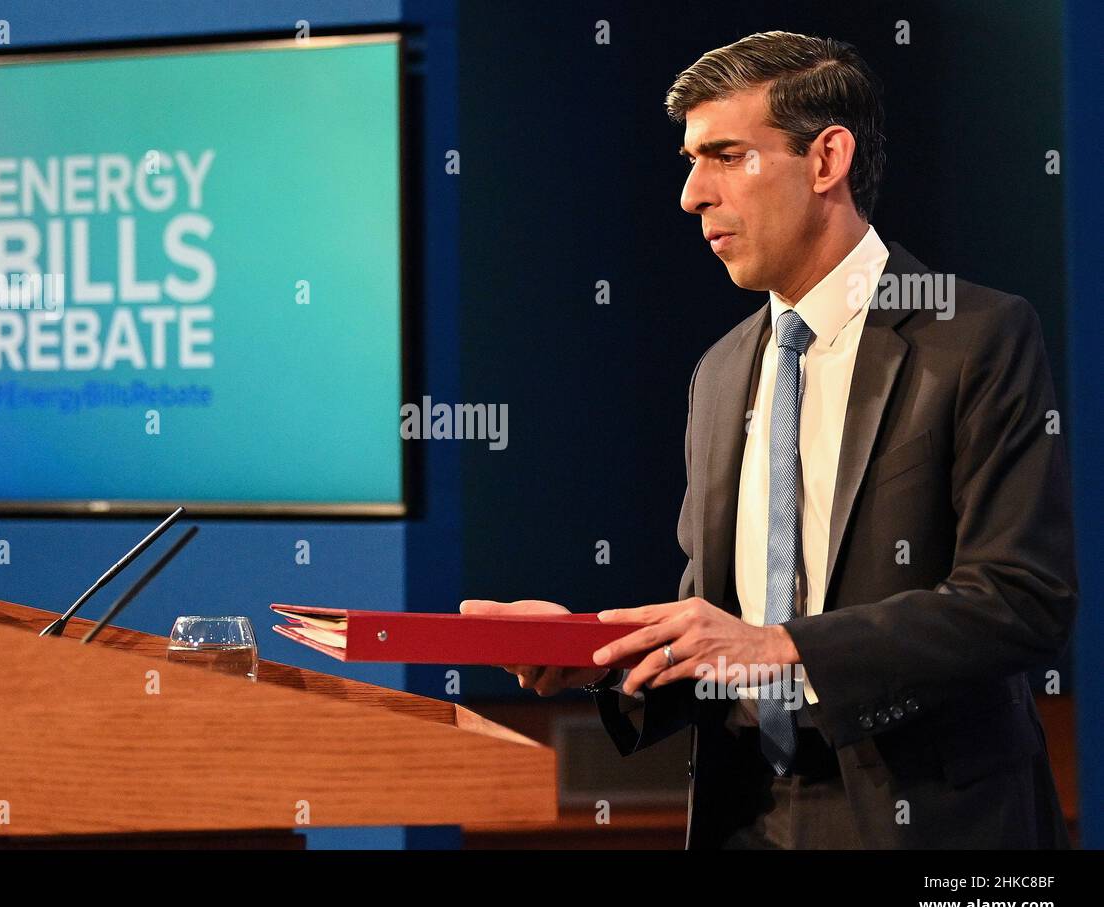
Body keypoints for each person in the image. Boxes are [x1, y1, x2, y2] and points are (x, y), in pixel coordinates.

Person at [461, 30, 1076, 849]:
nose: (691, 194)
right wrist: (603, 654)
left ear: (827, 161)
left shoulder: (975, 336)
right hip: (743, 814)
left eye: (725, 155)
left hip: (928, 822)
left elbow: (1022, 599)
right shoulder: (719, 373)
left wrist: (784, 648)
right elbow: (721, 624)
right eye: (690, 160)